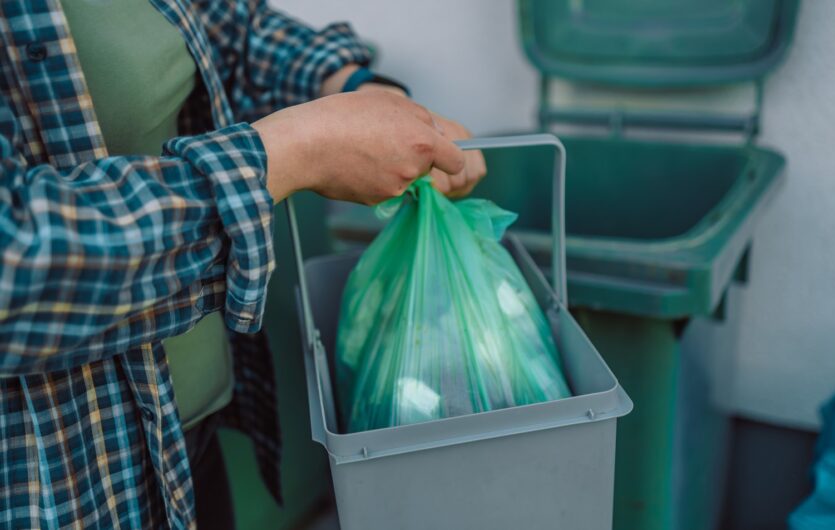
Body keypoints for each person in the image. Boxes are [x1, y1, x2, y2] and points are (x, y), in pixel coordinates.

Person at [0, 1, 486, 528]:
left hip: (185, 435)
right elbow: (16, 258)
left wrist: (362, 89)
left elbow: (229, 24)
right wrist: (297, 153)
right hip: (67, 484)